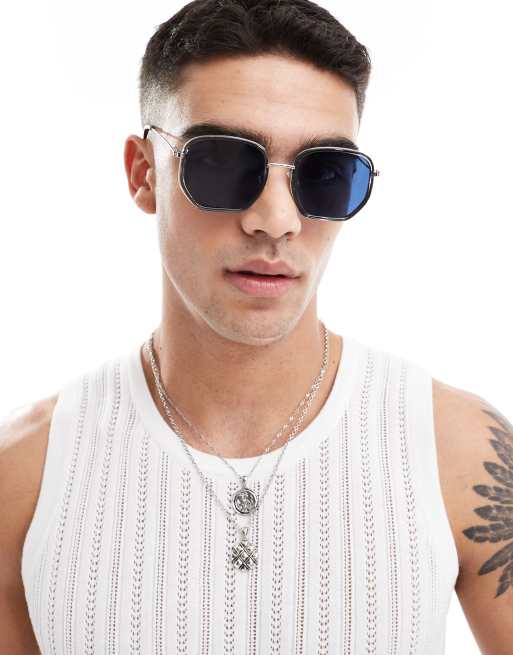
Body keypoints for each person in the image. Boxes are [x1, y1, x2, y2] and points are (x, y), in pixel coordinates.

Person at [1, 0, 512, 653]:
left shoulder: (458, 452)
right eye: (222, 163)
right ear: (143, 173)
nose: (276, 219)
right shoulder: (25, 475)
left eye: (324, 173)